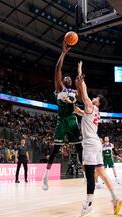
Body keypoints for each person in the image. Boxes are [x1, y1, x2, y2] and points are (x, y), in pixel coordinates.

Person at [73, 61, 122, 217]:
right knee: (101, 172)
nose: (93, 98)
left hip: (90, 144)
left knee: (89, 175)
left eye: (96, 98)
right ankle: (115, 198)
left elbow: (84, 93)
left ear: (98, 103)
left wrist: (80, 71)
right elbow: (79, 111)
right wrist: (71, 103)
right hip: (97, 144)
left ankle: (88, 206)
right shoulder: (94, 111)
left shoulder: (91, 106)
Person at [41, 42, 83, 191]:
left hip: (72, 120)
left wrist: (80, 76)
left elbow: (80, 96)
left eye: (69, 79)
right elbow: (57, 69)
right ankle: (45, 176)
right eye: (66, 78)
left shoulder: (74, 92)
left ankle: (87, 175)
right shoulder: (59, 88)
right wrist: (63, 53)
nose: (68, 79)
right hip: (61, 120)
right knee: (55, 149)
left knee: (80, 148)